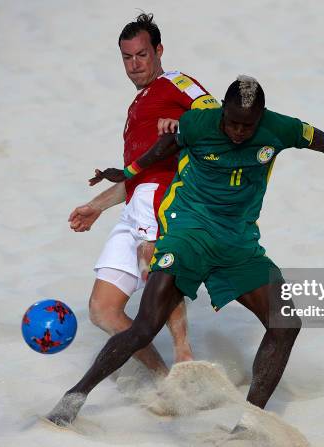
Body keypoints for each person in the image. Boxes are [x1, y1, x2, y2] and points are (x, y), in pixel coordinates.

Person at [47, 75, 324, 426]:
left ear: (261, 119)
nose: (239, 133)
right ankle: (73, 398)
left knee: (286, 323)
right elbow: (166, 146)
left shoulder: (280, 128)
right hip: (188, 232)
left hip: (238, 241)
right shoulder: (197, 123)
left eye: (247, 127)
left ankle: (250, 424)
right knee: (144, 326)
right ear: (223, 112)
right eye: (233, 124)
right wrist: (127, 171)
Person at [68, 13, 219, 376]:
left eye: (142, 55)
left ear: (159, 51)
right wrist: (97, 205)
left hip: (163, 196)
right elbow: (137, 175)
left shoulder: (175, 83)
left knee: (156, 264)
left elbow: (217, 117)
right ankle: (163, 378)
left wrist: (182, 125)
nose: (135, 65)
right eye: (127, 57)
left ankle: (184, 357)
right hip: (134, 205)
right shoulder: (137, 105)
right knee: (102, 310)